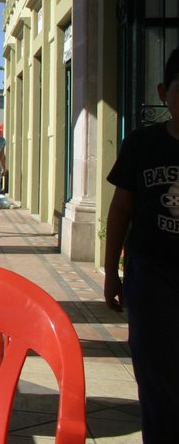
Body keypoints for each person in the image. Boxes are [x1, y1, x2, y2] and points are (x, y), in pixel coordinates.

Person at [104, 47, 179, 444]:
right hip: (150, 273)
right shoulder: (142, 144)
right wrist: (111, 273)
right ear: (163, 92)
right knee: (155, 373)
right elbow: (121, 210)